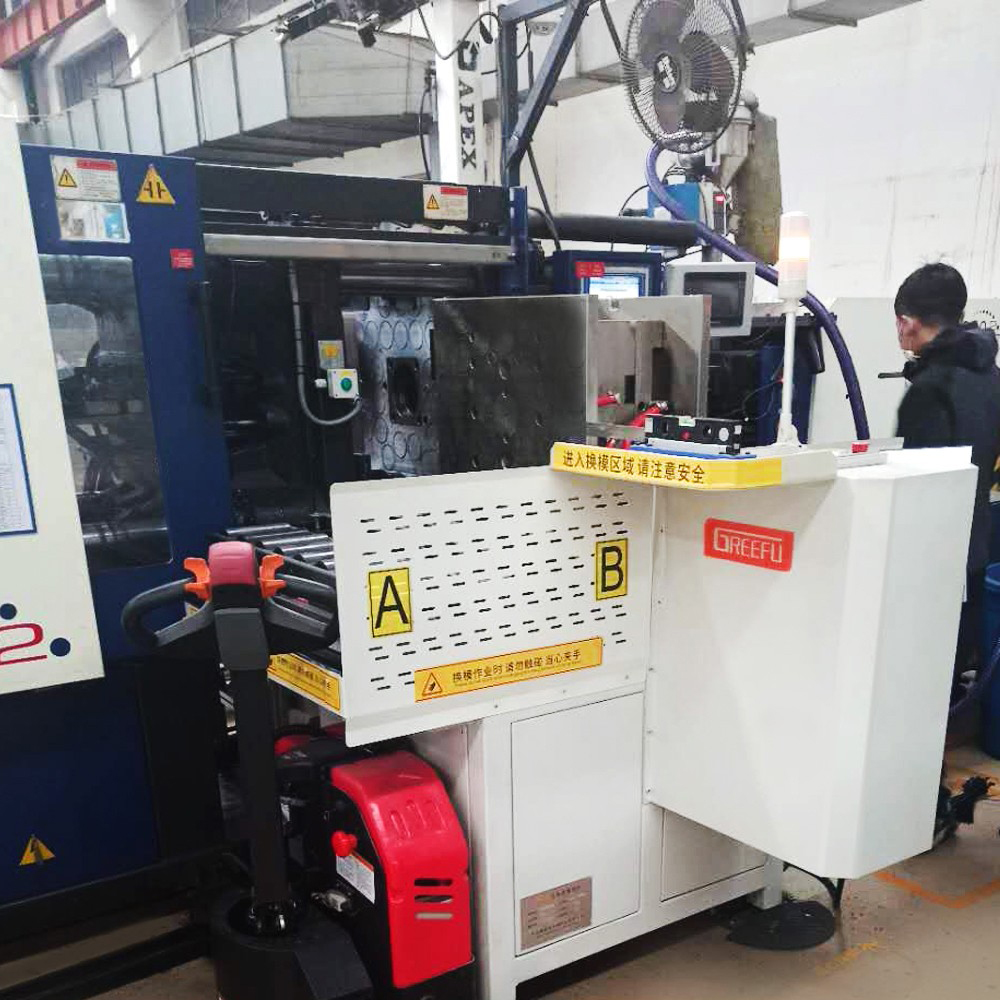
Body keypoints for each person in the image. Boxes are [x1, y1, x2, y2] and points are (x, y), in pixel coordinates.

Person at [894, 262, 1000, 843]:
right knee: (941, 687)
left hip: (932, 564)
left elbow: (919, 491)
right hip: (973, 552)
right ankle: (927, 809)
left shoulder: (929, 390)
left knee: (913, 689)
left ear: (908, 323)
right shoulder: (990, 376)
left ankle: (918, 813)